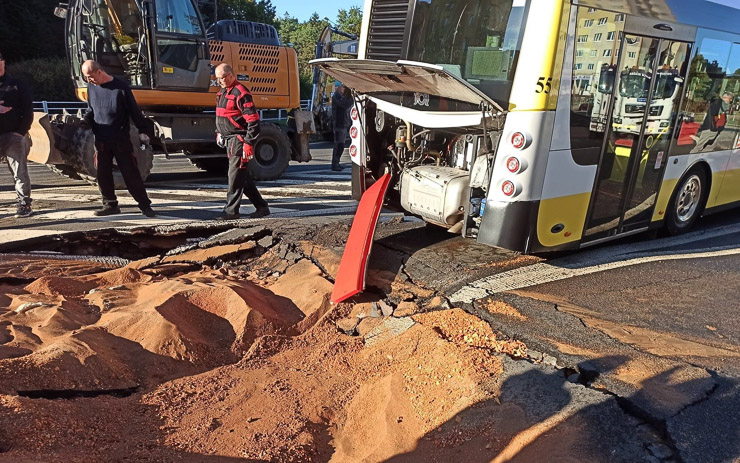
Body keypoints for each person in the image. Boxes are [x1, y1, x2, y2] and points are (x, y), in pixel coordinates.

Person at [80, 60, 156, 217]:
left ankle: (144, 205)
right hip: (101, 140)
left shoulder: (121, 88)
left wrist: (143, 130)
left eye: (90, 76)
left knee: (131, 173)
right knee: (103, 174)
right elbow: (91, 109)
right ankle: (110, 204)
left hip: (120, 139)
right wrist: (85, 120)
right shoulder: (92, 87)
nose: (89, 80)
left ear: (99, 71)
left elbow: (134, 111)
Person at [214, 63, 269, 220]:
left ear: (231, 75)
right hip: (229, 140)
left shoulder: (241, 92)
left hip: (239, 139)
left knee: (235, 176)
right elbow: (221, 115)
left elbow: (253, 121)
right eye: (217, 79)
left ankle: (231, 212)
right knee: (241, 176)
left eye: (222, 78)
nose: (220, 81)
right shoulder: (223, 92)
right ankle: (262, 207)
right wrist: (219, 132)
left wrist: (248, 143)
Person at [0, 50, 34, 218]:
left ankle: (24, 204)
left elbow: (28, 110)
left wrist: (21, 132)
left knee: (20, 172)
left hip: (13, 136)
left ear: (4, 63)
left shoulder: (17, 85)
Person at [331, 81, 352, 172]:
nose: (344, 89)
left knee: (341, 144)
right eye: (342, 87)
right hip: (339, 124)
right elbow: (345, 105)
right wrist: (351, 96)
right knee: (338, 144)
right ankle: (335, 163)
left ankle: (337, 162)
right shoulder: (336, 97)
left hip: (343, 123)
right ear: (338, 87)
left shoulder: (341, 97)